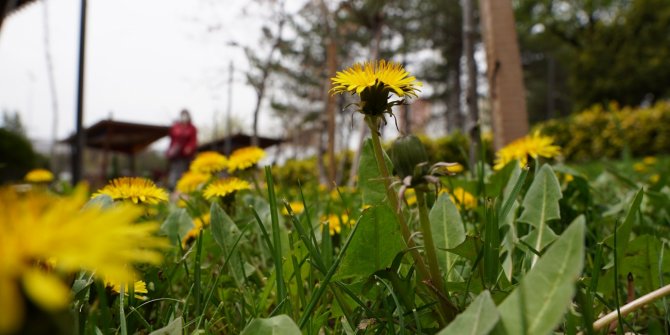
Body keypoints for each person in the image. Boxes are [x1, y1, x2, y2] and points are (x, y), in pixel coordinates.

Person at [167, 109, 197, 190]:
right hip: (176, 155)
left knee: (186, 172)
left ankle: (187, 189)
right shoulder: (175, 127)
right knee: (176, 171)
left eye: (186, 115)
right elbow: (172, 140)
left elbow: (193, 141)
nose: (184, 117)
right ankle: (173, 188)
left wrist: (190, 147)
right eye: (182, 115)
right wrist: (169, 151)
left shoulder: (192, 128)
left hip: (187, 156)